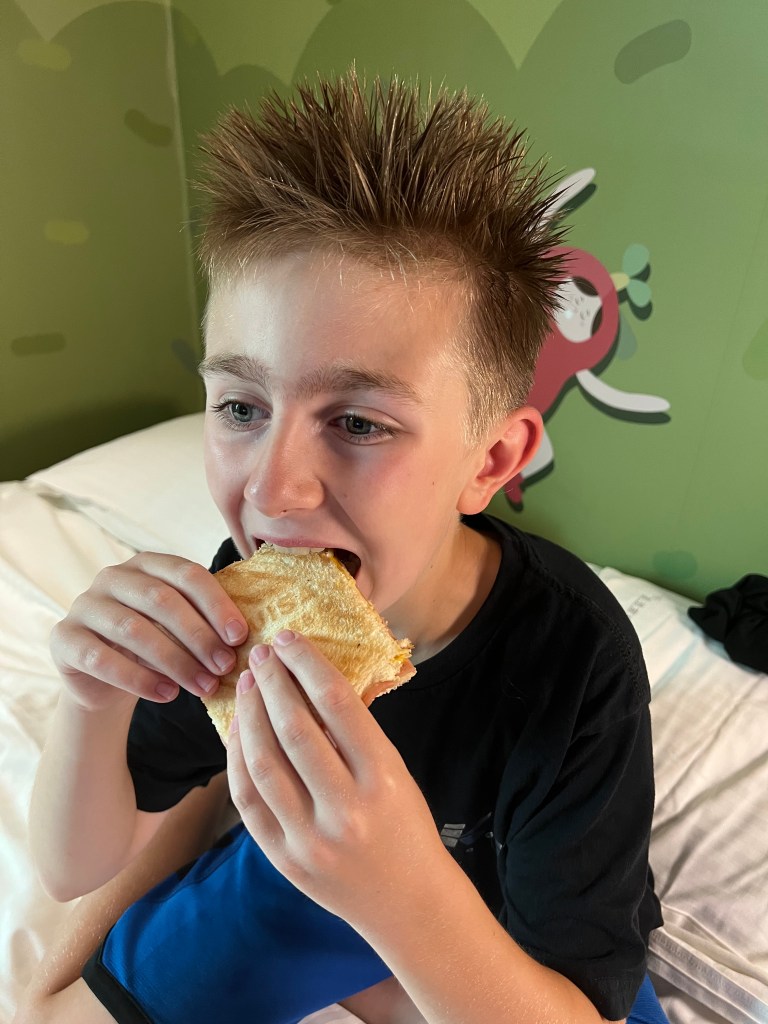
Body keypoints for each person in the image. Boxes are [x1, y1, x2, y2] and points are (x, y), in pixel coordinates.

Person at [21, 70, 668, 1024]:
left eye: (360, 423)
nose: (272, 490)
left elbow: (579, 996)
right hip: (290, 880)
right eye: (241, 407)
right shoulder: (237, 600)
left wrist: (398, 890)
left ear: (491, 460)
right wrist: (91, 703)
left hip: (481, 916)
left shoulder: (573, 661)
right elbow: (75, 866)